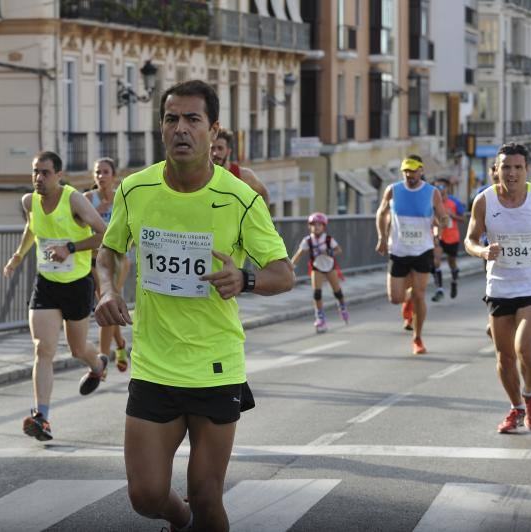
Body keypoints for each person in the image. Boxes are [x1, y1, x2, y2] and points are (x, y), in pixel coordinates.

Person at [94, 80, 294, 532]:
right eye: (171, 119)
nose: (180, 129)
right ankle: (178, 520)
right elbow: (108, 253)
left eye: (192, 120)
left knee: (207, 495)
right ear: (161, 127)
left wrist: (244, 278)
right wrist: (106, 290)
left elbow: (283, 274)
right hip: (155, 364)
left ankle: (194, 515)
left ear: (213, 129)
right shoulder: (135, 191)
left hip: (215, 363)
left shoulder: (240, 199)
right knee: (145, 496)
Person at [464, 142, 531, 434]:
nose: (511, 173)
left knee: (525, 348)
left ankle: (530, 392)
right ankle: (516, 407)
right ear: (497, 169)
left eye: (517, 167)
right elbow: (470, 239)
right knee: (505, 356)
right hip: (499, 286)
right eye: (506, 167)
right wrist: (482, 252)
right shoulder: (484, 201)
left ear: (527, 170)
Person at [2, 150, 108, 442]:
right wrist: (17, 256)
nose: (38, 178)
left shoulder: (74, 199)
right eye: (35, 172)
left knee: (76, 350)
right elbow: (32, 229)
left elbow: (104, 234)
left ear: (59, 175)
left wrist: (70, 249)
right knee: (43, 349)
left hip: (76, 284)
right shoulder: (29, 201)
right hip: (46, 283)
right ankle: (42, 417)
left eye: (45, 172)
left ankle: (97, 364)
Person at [376, 154, 448, 355]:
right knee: (395, 297)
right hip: (398, 250)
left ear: (421, 171)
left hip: (422, 250)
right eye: (406, 170)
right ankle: (406, 301)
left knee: (420, 294)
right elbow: (381, 213)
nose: (409, 174)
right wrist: (382, 237)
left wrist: (442, 223)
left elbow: (442, 215)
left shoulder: (432, 192)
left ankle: (417, 338)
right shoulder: (393, 190)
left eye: (413, 170)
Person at [83, 158, 130, 372]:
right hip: (94, 259)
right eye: (97, 172)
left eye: (105, 172)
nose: (101, 176)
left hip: (119, 259)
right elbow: (79, 225)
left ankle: (102, 359)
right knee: (107, 305)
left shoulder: (123, 197)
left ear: (114, 175)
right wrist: (97, 212)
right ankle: (119, 345)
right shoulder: (87, 199)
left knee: (107, 303)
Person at [289, 212, 349, 333]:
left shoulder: (328, 239)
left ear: (323, 226)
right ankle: (320, 317)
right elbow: (299, 254)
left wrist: (330, 252)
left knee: (337, 291)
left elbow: (339, 250)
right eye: (313, 225)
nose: (316, 227)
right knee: (317, 293)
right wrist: (289, 267)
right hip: (316, 267)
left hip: (330, 266)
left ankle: (342, 306)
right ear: (309, 226)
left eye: (319, 225)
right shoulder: (308, 240)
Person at [210, 128, 271, 205]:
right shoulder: (202, 176)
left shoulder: (244, 175)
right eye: (212, 148)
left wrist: (260, 216)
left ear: (228, 151)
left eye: (220, 148)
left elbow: (264, 195)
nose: (215, 153)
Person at [430, 178, 466, 301]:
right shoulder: (432, 202)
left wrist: (453, 215)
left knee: (452, 262)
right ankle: (439, 289)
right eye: (436, 187)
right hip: (438, 236)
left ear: (446, 188)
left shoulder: (454, 202)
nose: (439, 190)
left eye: (441, 187)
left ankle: (454, 281)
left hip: (452, 237)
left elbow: (464, 219)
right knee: (435, 261)